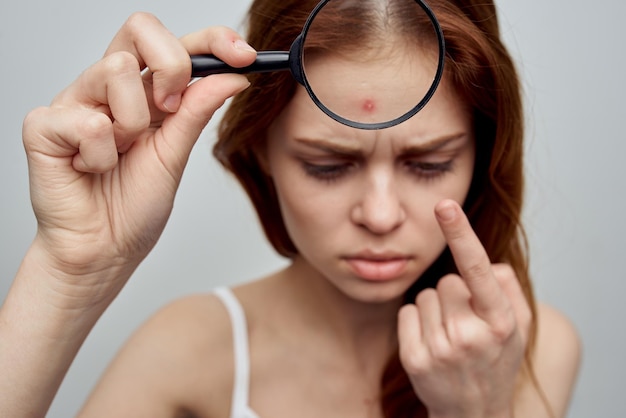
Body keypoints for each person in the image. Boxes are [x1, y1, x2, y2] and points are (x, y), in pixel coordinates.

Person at [0, 0, 581, 417]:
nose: (379, 216)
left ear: (484, 153)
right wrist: (70, 268)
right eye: (327, 166)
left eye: (428, 163)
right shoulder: (188, 351)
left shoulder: (533, 348)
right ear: (263, 152)